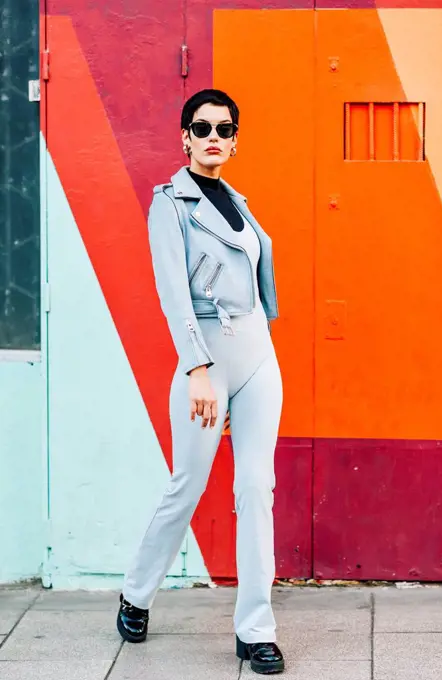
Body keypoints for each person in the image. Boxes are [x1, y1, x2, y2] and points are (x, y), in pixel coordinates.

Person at [116, 89, 285, 675]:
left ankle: (255, 629)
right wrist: (197, 369)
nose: (214, 135)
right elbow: (174, 295)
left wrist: (258, 337)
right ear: (185, 136)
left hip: (258, 356)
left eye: (224, 127)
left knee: (255, 489)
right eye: (202, 126)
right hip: (206, 359)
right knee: (187, 485)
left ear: (236, 140)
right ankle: (136, 593)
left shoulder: (240, 203)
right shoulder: (171, 204)